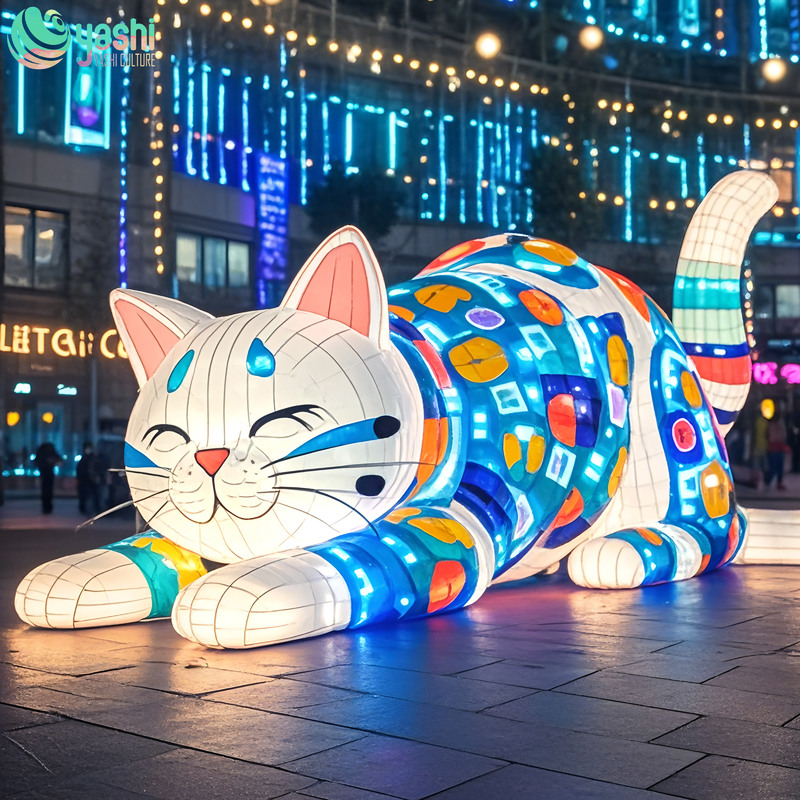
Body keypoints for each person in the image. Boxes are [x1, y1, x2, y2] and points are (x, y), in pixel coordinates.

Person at [764, 409, 790, 490]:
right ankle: (768, 481)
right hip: (774, 448)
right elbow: (773, 437)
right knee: (773, 467)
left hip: (779, 448)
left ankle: (777, 482)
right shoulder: (772, 425)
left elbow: (783, 436)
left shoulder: (779, 425)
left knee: (779, 467)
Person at [34, 441, 62, 514]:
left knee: (46, 490)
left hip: (46, 474)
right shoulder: (47, 453)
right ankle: (47, 507)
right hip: (47, 474)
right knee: (47, 491)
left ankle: (46, 507)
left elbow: (37, 461)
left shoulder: (42, 453)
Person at [76, 442, 102, 516]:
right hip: (86, 480)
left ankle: (92, 510)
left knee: (93, 496)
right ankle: (88, 510)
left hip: (90, 480)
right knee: (87, 496)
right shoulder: (85, 458)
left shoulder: (92, 458)